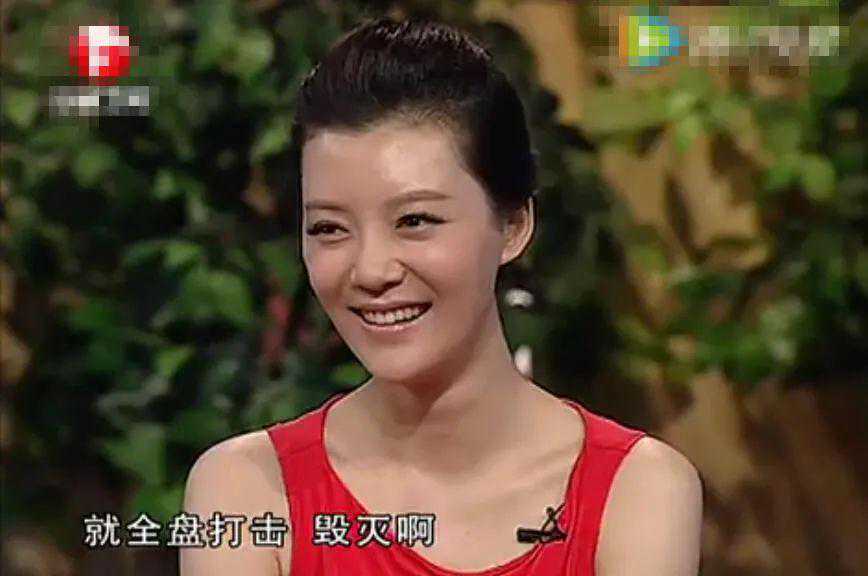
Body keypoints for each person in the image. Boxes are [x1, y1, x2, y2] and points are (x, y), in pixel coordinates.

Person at [181, 16, 702, 576]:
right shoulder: (248, 488)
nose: (371, 270)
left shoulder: (637, 488)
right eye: (329, 228)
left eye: (415, 220)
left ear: (513, 225)